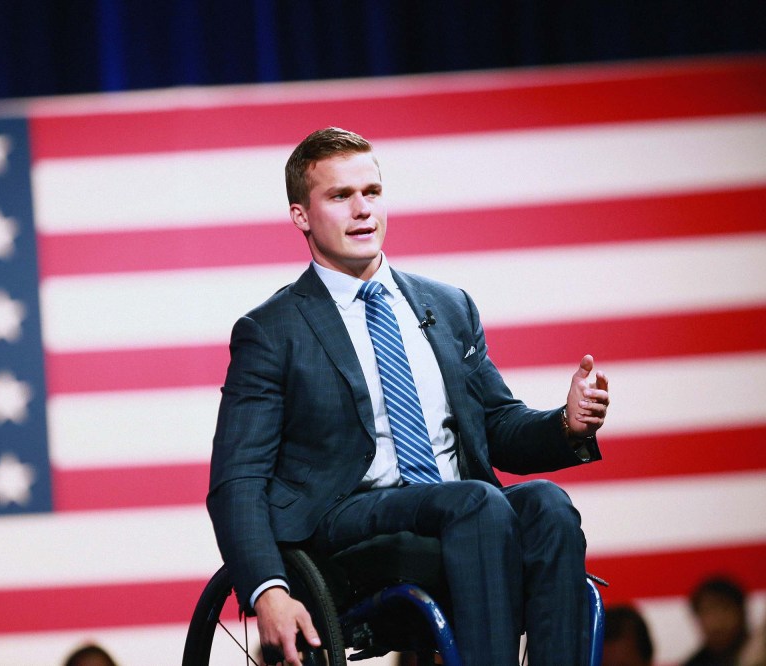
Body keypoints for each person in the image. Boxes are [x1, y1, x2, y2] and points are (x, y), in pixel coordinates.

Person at [206, 127, 610, 665]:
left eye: (371, 192)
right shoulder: (272, 330)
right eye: (340, 196)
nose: (362, 211)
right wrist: (268, 589)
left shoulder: (448, 306)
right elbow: (238, 480)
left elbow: (496, 427)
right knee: (478, 502)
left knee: (547, 505)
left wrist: (567, 425)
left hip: (462, 512)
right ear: (301, 215)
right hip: (347, 521)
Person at [683, 576, 751, 666]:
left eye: (724, 609)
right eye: (707, 611)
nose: (717, 622)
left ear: (741, 612)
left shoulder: (760, 656)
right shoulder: (694, 663)